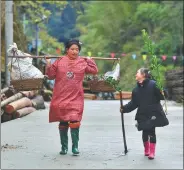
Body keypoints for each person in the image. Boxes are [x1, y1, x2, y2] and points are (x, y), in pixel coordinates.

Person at [45, 39, 98, 155]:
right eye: (72, 49)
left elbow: (94, 70)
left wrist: (90, 60)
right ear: (67, 50)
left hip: (76, 97)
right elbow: (50, 75)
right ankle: (64, 147)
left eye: (77, 49)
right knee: (63, 122)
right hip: (61, 97)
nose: (75, 52)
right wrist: (48, 62)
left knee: (75, 121)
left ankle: (75, 147)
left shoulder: (82, 62)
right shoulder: (59, 61)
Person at [120, 68, 169, 160]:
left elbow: (162, 96)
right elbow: (134, 103)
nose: (135, 74)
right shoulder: (136, 90)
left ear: (143, 74)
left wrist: (163, 92)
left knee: (151, 131)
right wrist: (124, 109)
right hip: (142, 113)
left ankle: (152, 152)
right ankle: (146, 149)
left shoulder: (154, 84)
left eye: (137, 72)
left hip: (153, 113)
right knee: (144, 131)